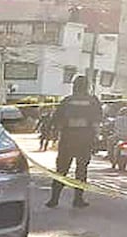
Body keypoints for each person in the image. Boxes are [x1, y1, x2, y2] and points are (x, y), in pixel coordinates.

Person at [46, 76, 102, 209]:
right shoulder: (93, 101)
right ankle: (78, 200)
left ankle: (54, 199)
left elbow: (55, 120)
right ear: (87, 86)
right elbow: (97, 121)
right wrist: (96, 139)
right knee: (81, 170)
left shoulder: (67, 100)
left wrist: (52, 134)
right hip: (85, 140)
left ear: (74, 86)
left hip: (67, 139)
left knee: (61, 170)